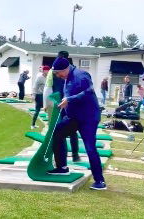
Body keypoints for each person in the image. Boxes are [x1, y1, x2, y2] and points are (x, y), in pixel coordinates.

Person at [47, 57, 106, 190]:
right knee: (57, 133)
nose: (57, 76)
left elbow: (88, 91)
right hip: (74, 118)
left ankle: (100, 181)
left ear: (64, 69)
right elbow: (70, 93)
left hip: (88, 118)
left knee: (90, 147)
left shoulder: (81, 75)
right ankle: (62, 167)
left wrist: (69, 99)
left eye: (58, 73)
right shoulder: (66, 77)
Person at [43, 51, 80, 162]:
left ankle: (59, 159)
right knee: (72, 130)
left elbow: (48, 88)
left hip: (58, 104)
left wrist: (46, 104)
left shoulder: (52, 71)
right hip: (70, 103)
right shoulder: (74, 70)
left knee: (57, 131)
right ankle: (75, 155)